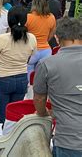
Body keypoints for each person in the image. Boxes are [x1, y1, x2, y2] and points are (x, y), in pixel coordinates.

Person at [33, 17, 82, 157]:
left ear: (56, 37)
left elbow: (39, 99)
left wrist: (44, 113)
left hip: (68, 141)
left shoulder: (47, 64)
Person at [0, 6, 37, 123]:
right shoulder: (32, 38)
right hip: (21, 79)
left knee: (2, 114)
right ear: (26, 20)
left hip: (2, 79)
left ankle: (1, 137)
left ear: (8, 20)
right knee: (14, 115)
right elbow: (28, 58)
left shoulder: (0, 39)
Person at [26, 0, 56, 77]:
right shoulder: (52, 17)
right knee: (42, 78)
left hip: (31, 51)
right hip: (46, 51)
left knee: (29, 78)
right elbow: (51, 34)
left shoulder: (28, 17)